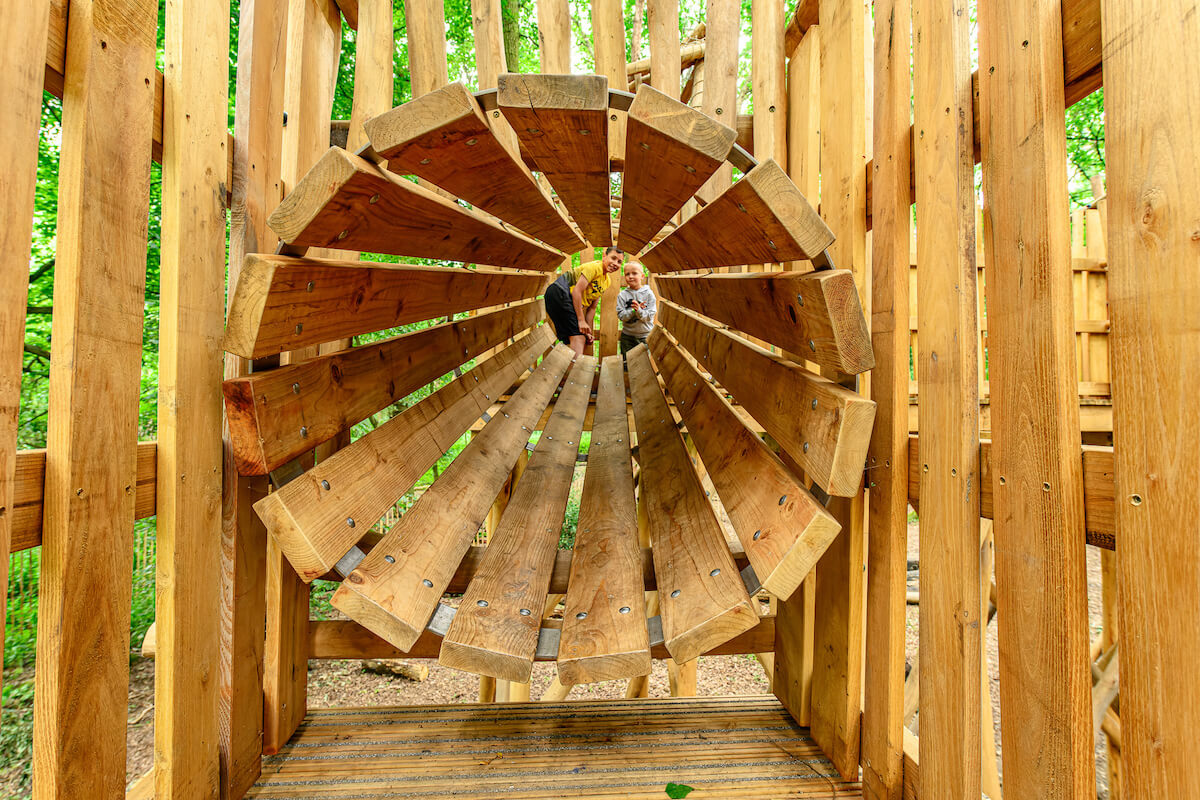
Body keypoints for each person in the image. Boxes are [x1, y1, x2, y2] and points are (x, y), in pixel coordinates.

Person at [543, 246, 625, 356]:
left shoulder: (606, 282)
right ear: (604, 256)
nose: (615, 263)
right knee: (578, 337)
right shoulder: (594, 267)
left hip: (564, 298)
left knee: (573, 337)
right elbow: (577, 291)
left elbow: (592, 308)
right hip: (560, 291)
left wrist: (589, 332)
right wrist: (581, 321)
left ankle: (569, 370)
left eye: (619, 262)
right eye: (613, 258)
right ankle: (575, 373)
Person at [616, 261, 657, 356]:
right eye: (627, 274)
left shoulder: (648, 294)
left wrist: (639, 311)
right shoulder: (622, 296)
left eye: (634, 273)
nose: (630, 276)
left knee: (643, 364)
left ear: (642, 276)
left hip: (645, 336)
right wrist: (633, 311)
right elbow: (621, 316)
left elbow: (649, 317)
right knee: (626, 364)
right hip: (627, 337)